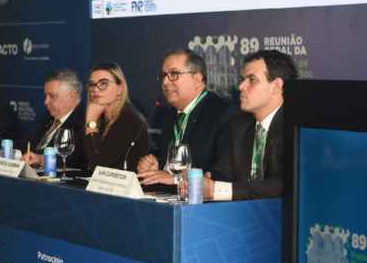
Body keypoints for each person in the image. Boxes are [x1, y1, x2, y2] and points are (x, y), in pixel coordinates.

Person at [181, 50, 298, 201]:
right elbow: (225, 170)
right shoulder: (243, 122)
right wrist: (205, 181)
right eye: (243, 79)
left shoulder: (296, 127)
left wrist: (216, 190)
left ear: (276, 86)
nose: (241, 86)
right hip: (247, 211)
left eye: (252, 80)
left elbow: (285, 185)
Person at [136, 49, 240, 186]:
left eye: (174, 74)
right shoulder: (170, 115)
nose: (165, 81)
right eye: (163, 75)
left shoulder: (223, 114)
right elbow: (176, 162)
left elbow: (226, 173)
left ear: (197, 79)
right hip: (166, 195)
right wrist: (158, 166)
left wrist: (176, 179)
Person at [0, 68, 86, 164]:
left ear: (71, 96)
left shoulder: (82, 121)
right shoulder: (47, 117)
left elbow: (70, 157)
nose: (46, 102)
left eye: (52, 96)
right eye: (45, 96)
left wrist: (41, 159)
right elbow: (24, 143)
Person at [69, 62, 149, 173]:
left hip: (124, 183)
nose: (95, 89)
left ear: (120, 88)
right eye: (92, 84)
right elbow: (71, 157)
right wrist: (45, 159)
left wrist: (91, 122)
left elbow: (98, 165)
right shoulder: (98, 117)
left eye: (103, 83)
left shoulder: (130, 120)